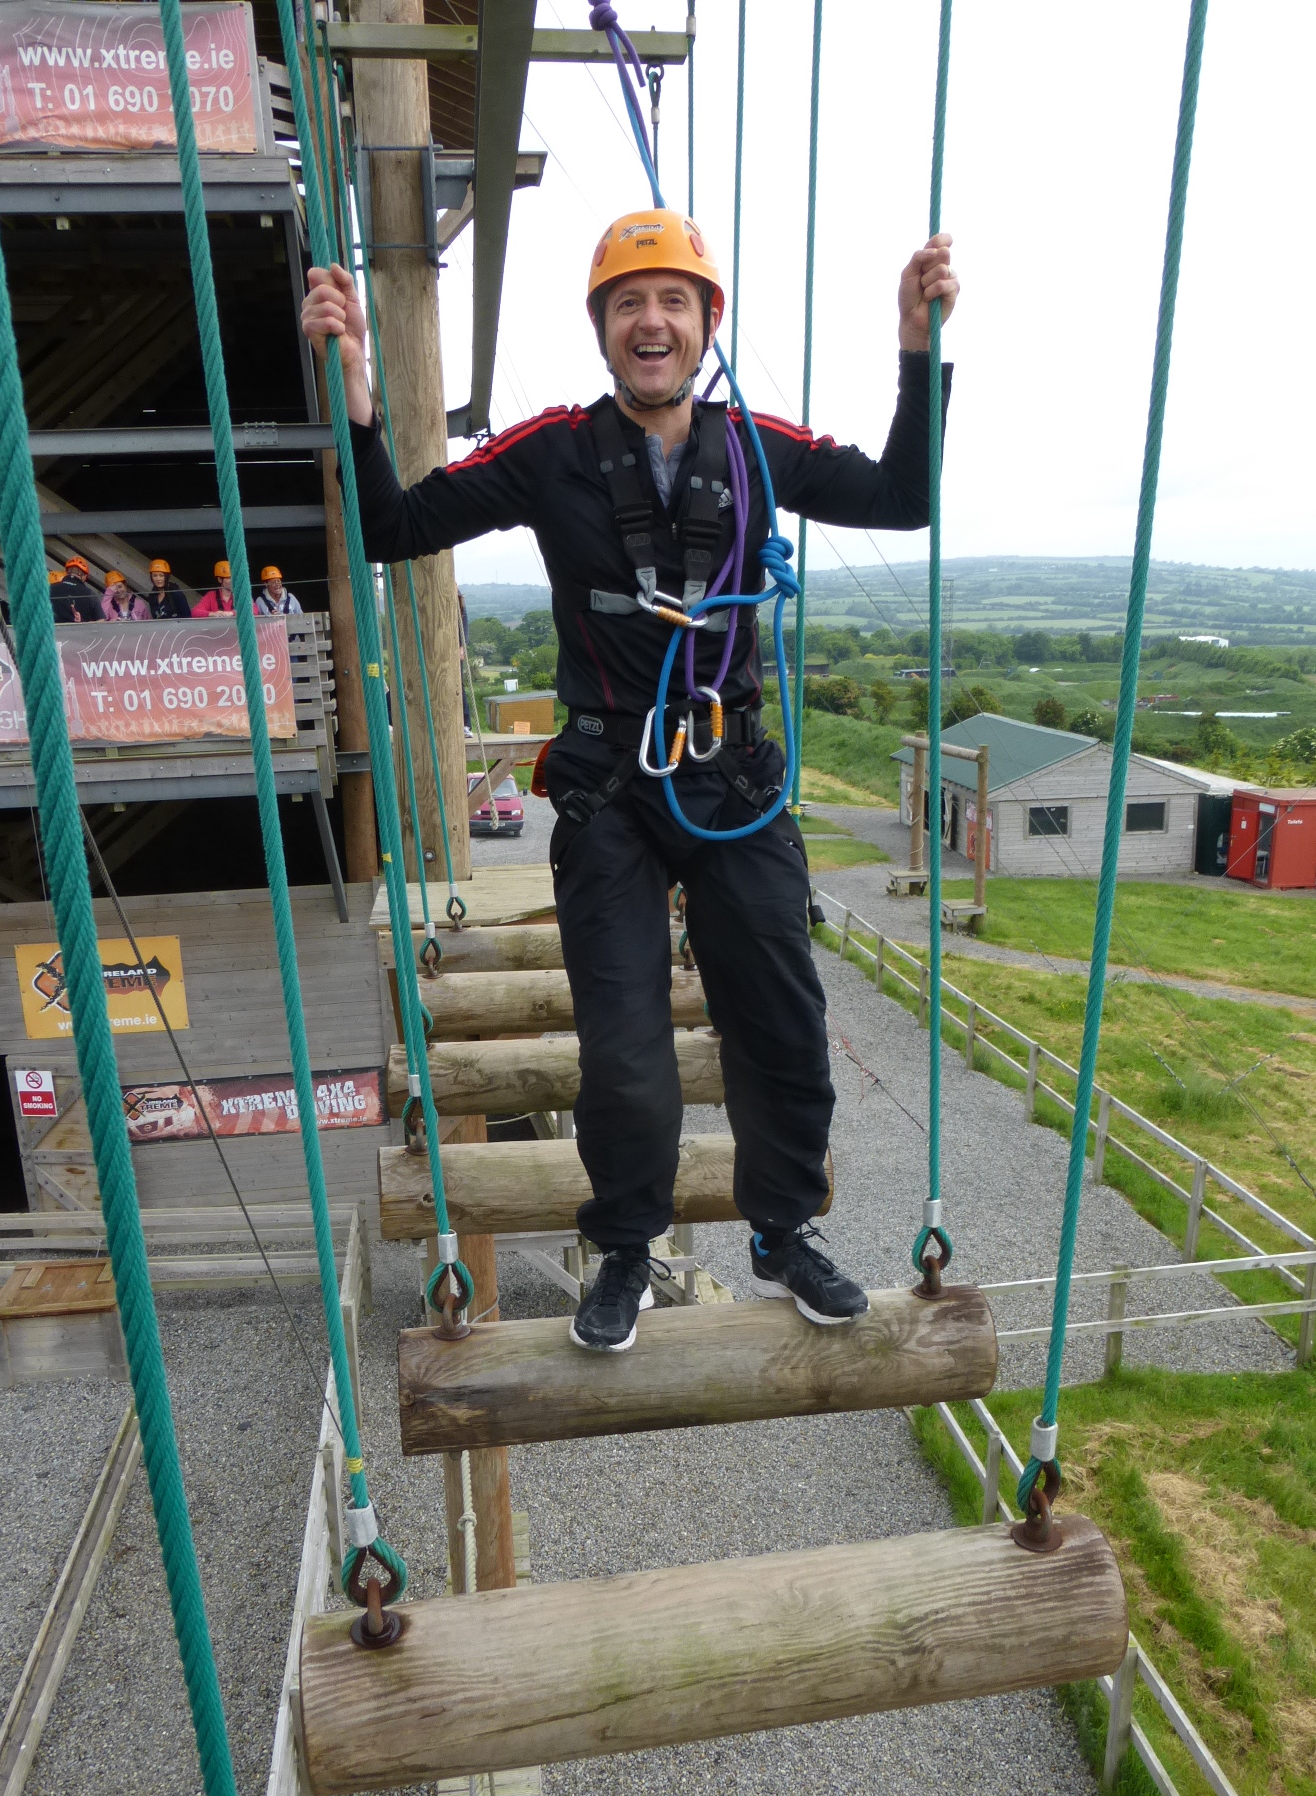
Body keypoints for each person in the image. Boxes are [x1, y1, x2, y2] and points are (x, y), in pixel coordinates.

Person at [301, 213, 958, 1353]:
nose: (651, 320)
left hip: (736, 779)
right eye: (627, 303)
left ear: (708, 324)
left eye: (673, 301)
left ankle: (783, 1228)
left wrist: (917, 349)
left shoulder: (758, 444)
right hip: (612, 782)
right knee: (623, 1046)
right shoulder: (554, 450)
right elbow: (392, 524)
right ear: (604, 329)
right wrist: (356, 397)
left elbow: (904, 497)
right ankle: (624, 1246)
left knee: (786, 1025)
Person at [49, 555, 103, 623]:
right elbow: (101, 620)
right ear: (84, 576)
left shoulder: (50, 589)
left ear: (67, 572)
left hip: (54, 632)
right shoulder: (89, 594)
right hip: (82, 632)